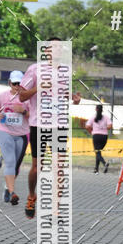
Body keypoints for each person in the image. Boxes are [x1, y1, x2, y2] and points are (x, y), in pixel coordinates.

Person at [19, 43, 81, 219]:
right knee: (37, 167)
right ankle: (32, 195)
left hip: (58, 125)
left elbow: (62, 93)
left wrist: (73, 98)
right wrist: (39, 87)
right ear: (46, 51)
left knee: (59, 168)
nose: (58, 50)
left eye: (60, 47)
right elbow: (22, 96)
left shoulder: (66, 71)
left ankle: (55, 209)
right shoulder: (34, 69)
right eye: (53, 47)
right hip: (39, 124)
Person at [0, 71, 30, 205]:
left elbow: (34, 116)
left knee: (16, 165)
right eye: (14, 83)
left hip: (22, 134)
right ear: (10, 83)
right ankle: (12, 192)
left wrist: (24, 111)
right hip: (5, 131)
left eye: (19, 83)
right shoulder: (2, 96)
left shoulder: (28, 98)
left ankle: (7, 188)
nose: (17, 86)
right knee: (10, 161)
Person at [85, 104, 112, 173]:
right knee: (98, 152)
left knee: (97, 152)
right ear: (102, 110)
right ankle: (96, 168)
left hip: (96, 136)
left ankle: (104, 163)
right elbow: (110, 126)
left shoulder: (93, 117)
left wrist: (92, 131)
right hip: (104, 137)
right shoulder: (106, 117)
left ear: (96, 109)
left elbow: (87, 126)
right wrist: (104, 128)